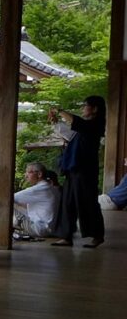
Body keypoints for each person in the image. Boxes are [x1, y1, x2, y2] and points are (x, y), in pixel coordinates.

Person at [49, 96, 106, 247]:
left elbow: (76, 122)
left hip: (85, 170)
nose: (82, 109)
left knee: (87, 202)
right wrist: (56, 122)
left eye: (85, 106)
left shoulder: (96, 125)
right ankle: (66, 236)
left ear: (94, 109)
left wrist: (60, 111)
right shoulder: (85, 127)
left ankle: (97, 235)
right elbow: (71, 134)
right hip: (73, 168)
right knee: (67, 202)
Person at [9, 162, 61, 239]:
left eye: (28, 172)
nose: (25, 175)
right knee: (13, 205)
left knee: (6, 208)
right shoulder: (51, 188)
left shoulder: (39, 189)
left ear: (39, 174)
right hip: (52, 229)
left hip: (41, 229)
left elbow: (6, 199)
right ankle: (18, 232)